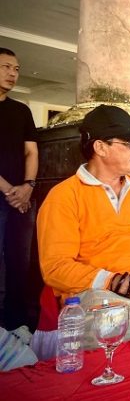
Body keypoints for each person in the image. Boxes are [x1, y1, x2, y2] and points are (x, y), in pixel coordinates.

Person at [37, 105, 130, 347]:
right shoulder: (64, 196)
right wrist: (122, 283)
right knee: (111, 330)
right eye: (129, 144)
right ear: (100, 147)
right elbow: (56, 268)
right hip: (103, 295)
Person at [0, 48, 38, 331]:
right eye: (5, 67)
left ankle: (17, 325)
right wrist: (10, 191)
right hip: (10, 196)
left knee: (19, 261)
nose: (12, 73)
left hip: (21, 199)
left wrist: (28, 186)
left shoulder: (21, 110)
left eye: (16, 69)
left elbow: (31, 152)